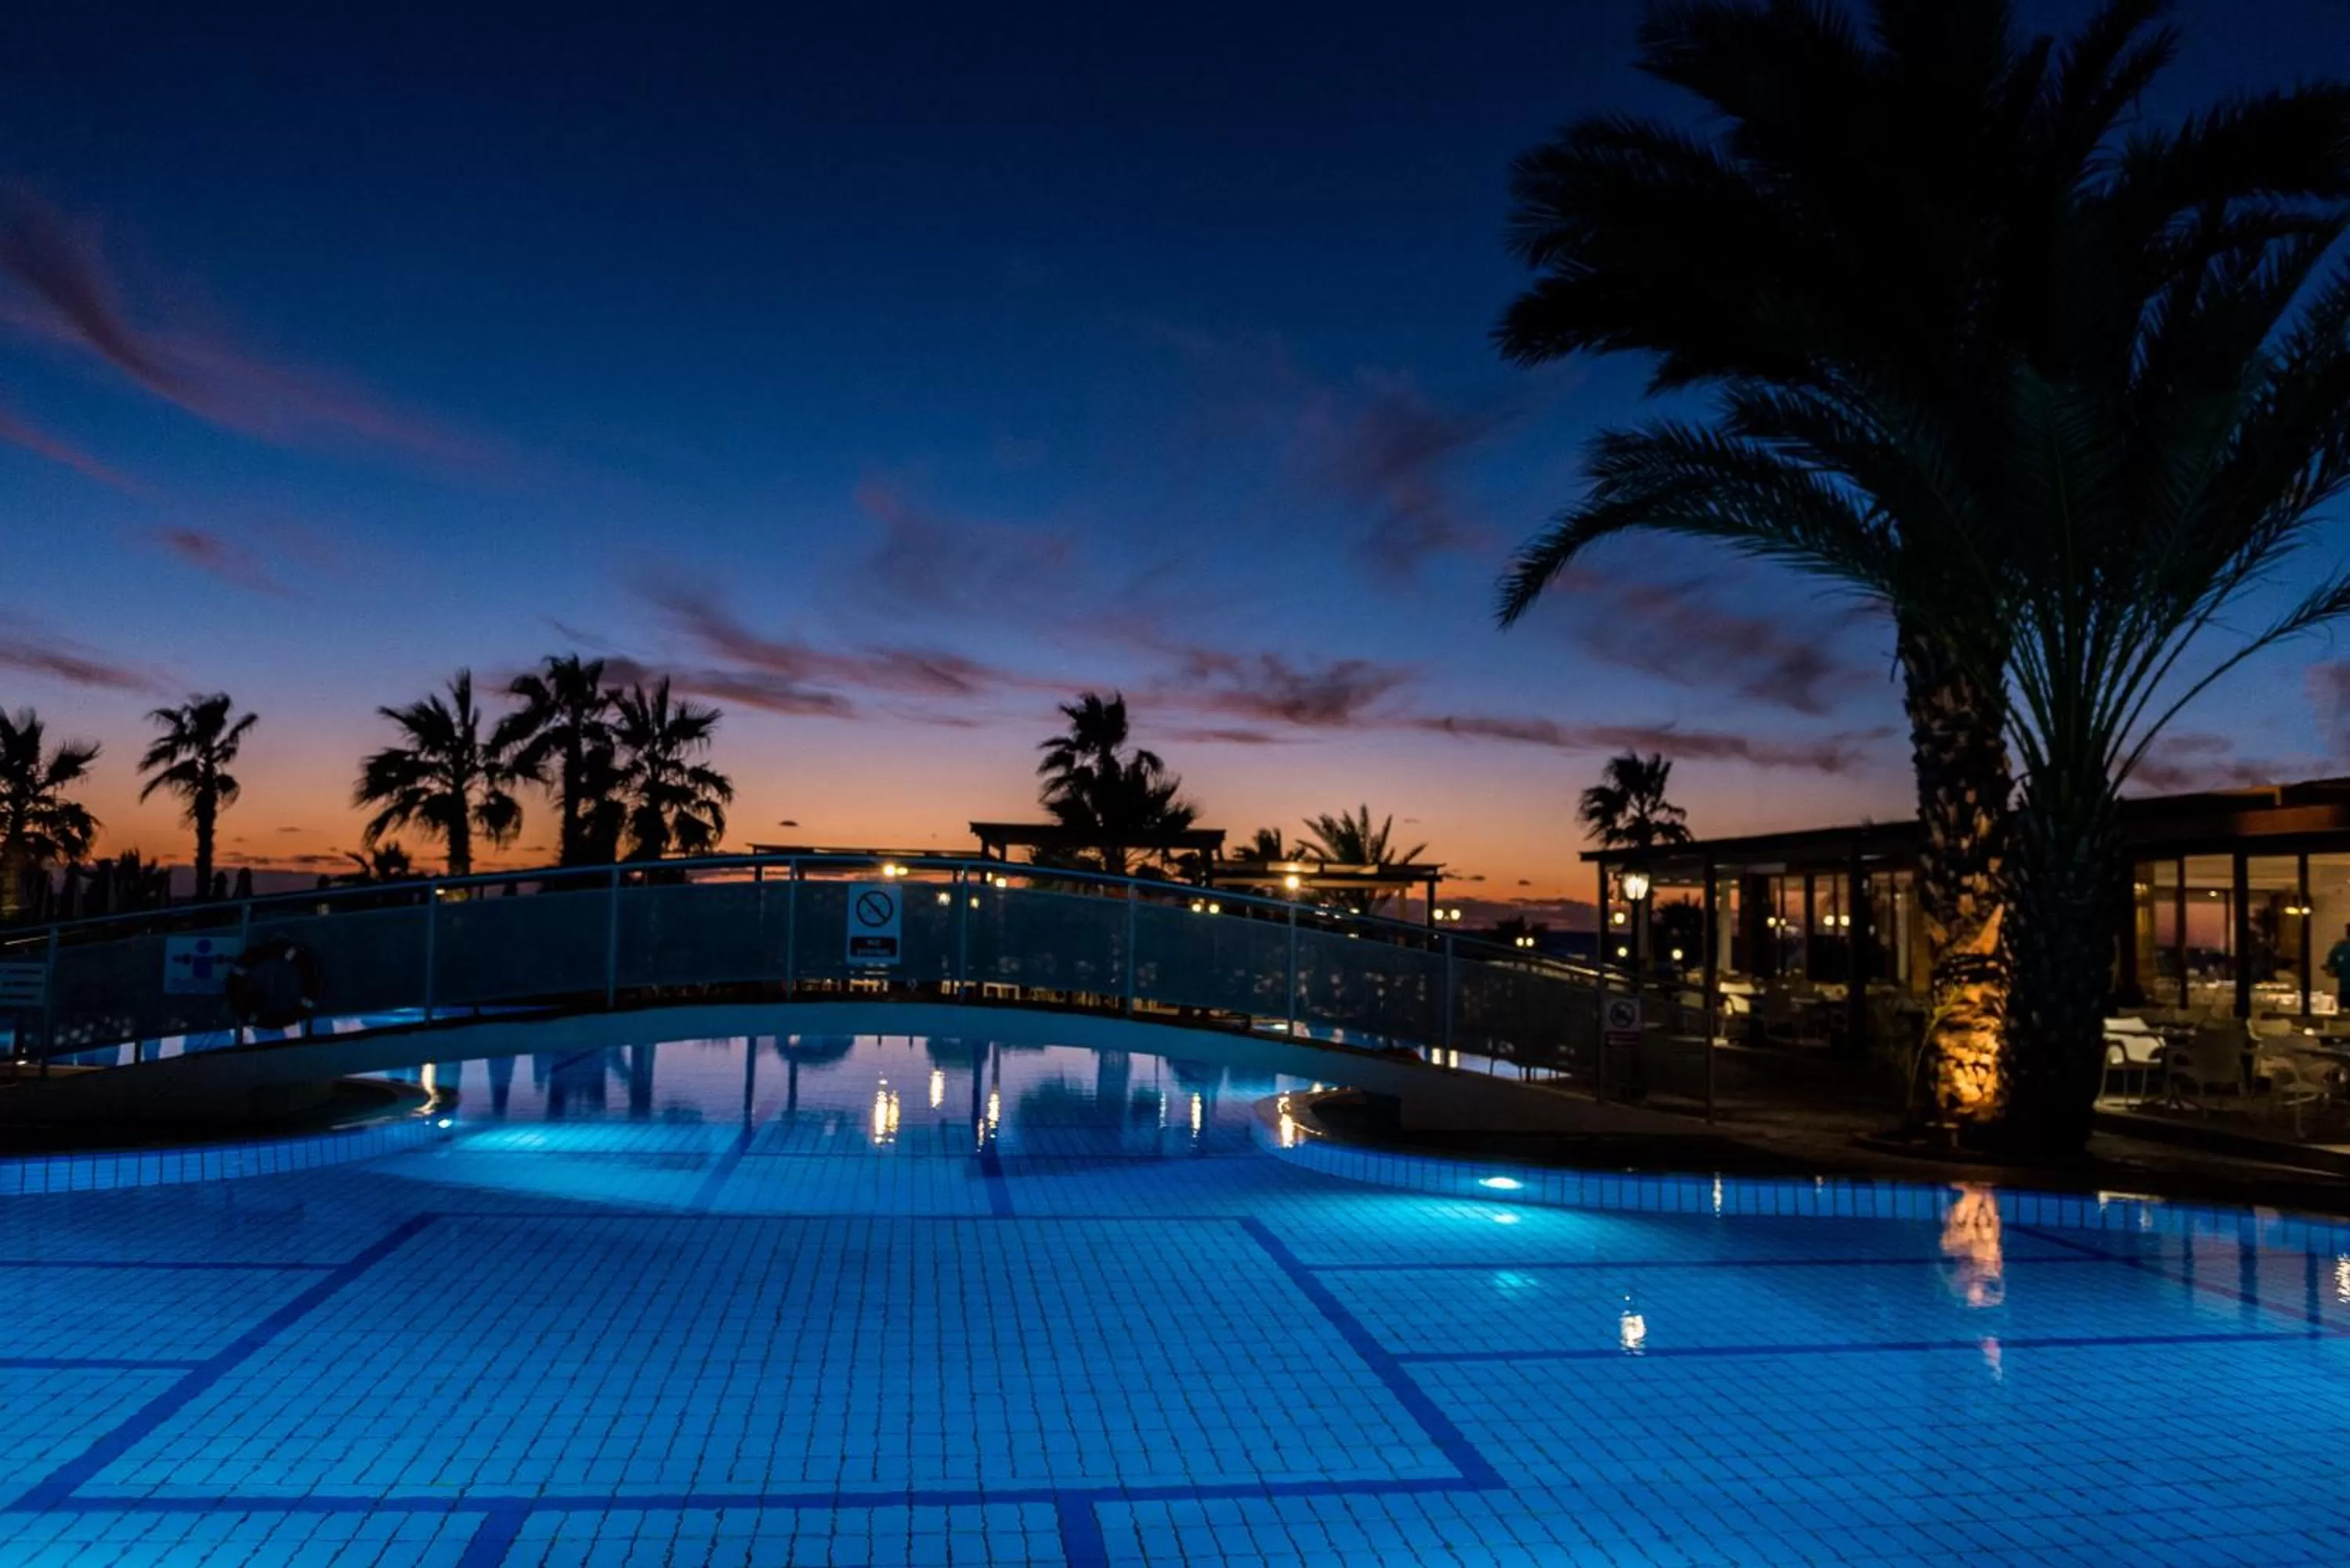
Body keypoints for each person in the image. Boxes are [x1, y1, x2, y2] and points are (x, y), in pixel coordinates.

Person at [2326, 923, 2350, 1012]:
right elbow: (2331, 972)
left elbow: (2331, 973)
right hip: (2345, 991)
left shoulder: (2339, 948)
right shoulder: (2339, 948)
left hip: (2345, 991)